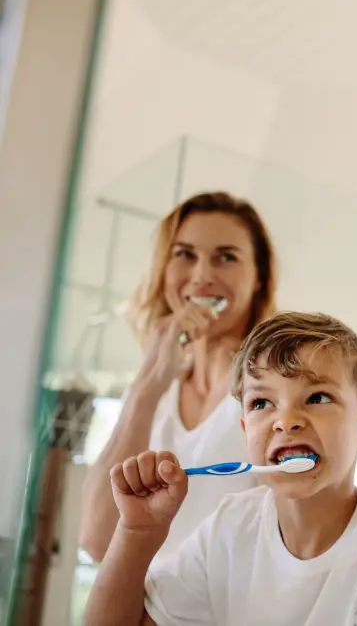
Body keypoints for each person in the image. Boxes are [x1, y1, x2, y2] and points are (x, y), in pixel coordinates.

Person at [81, 311, 357, 626]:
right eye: (262, 402)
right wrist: (138, 533)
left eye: (318, 397)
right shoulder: (231, 527)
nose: (286, 421)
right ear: (246, 430)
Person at [78, 192, 278, 566]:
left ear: (258, 279)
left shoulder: (273, 390)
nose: (202, 277)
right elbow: (96, 539)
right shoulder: (153, 394)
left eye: (226, 257)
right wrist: (147, 385)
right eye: (184, 254)